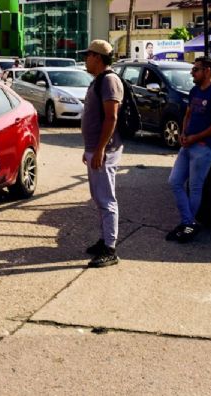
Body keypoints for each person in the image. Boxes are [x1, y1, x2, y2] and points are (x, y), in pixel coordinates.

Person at [166, 57, 211, 243]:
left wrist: (197, 137)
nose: (192, 73)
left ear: (207, 71)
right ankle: (189, 222)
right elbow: (188, 114)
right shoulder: (194, 90)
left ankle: (187, 224)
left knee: (195, 187)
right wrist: (183, 134)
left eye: (196, 70)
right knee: (174, 181)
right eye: (193, 70)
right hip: (188, 144)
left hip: (204, 147)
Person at [79, 39, 123, 268]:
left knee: (106, 199)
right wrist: (90, 149)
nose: (85, 59)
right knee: (99, 197)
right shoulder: (98, 81)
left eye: (88, 55)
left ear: (97, 57)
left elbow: (111, 117)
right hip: (96, 149)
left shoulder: (109, 81)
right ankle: (105, 239)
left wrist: (100, 149)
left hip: (106, 150)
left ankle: (110, 249)